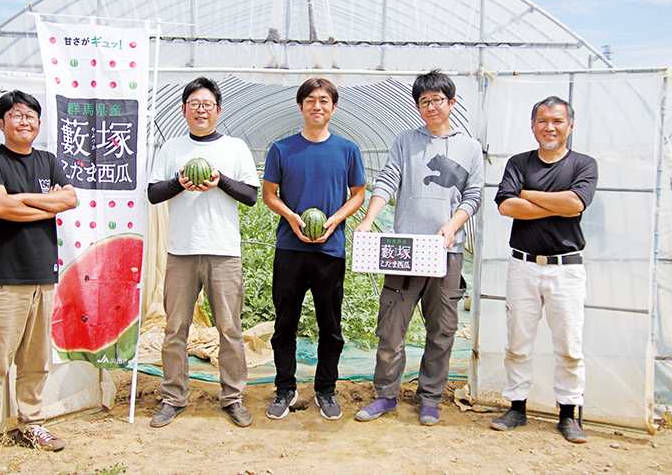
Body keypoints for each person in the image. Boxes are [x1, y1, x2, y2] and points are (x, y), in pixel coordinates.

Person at [354, 70, 484, 426]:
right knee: (391, 327)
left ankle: (430, 398)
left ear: (451, 103)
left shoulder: (469, 148)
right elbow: (388, 179)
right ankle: (386, 395)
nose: (431, 107)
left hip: (447, 252)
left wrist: (452, 226)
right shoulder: (405, 140)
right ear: (417, 106)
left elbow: (473, 194)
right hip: (405, 249)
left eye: (437, 100)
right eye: (424, 101)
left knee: (441, 330)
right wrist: (369, 219)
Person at [0, 90, 77, 465]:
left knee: (35, 361)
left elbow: (70, 200)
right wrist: (45, 206)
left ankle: (30, 423)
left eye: (31, 115)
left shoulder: (48, 161)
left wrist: (22, 203)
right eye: (16, 115)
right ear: (2, 123)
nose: (24, 121)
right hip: (3, 275)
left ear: (39, 122)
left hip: (42, 275)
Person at [147, 77, 259, 428]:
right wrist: (179, 182)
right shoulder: (171, 149)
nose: (200, 109)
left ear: (218, 110)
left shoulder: (236, 147)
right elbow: (153, 193)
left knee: (230, 329)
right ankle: (173, 397)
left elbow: (251, 195)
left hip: (223, 252)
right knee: (174, 328)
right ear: (183, 110)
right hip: (181, 251)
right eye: (194, 104)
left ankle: (233, 397)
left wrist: (220, 180)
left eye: (207, 104)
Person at [490, 96, 598, 443]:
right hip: (523, 265)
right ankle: (517, 408)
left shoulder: (583, 164)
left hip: (566, 269)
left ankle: (568, 414)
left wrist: (529, 195)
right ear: (532, 125)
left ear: (570, 125)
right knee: (518, 341)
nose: (549, 127)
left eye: (557, 121)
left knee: (569, 344)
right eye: (542, 121)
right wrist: (555, 203)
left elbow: (575, 204)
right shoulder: (519, 162)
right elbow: (507, 207)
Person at [262, 78, 366, 421]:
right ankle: (284, 389)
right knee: (284, 323)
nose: (317, 106)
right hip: (290, 249)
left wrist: (335, 220)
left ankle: (325, 389)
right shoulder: (281, 148)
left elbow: (358, 194)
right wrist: (291, 217)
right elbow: (269, 195)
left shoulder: (347, 149)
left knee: (330, 325)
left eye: (324, 101)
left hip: (330, 250)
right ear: (301, 106)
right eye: (310, 100)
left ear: (333, 107)